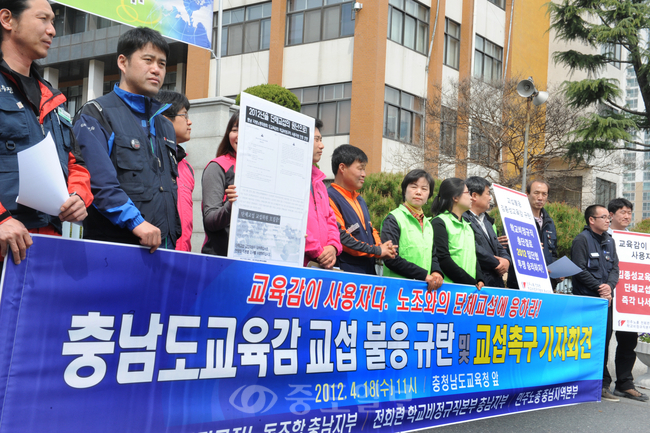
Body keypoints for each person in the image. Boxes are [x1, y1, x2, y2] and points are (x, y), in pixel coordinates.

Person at [0, 0, 92, 265]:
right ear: (7, 19)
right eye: (43, 19)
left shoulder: (54, 98)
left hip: (45, 248)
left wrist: (77, 197)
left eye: (54, 22)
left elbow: (76, 164)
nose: (52, 30)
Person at [73, 27, 180, 253]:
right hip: (115, 251)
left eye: (162, 64)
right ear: (123, 62)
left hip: (164, 249)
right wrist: (136, 223)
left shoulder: (165, 126)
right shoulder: (97, 113)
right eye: (148, 60)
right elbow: (99, 183)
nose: (156, 69)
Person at [571, 205, 621, 402]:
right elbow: (578, 269)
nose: (608, 220)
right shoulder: (581, 240)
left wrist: (609, 287)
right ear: (591, 220)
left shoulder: (610, 240)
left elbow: (615, 268)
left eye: (608, 217)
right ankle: (583, 383)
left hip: (605, 301)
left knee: (604, 341)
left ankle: (601, 384)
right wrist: (600, 287)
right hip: (587, 300)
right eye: (603, 217)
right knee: (585, 342)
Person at [327, 144, 396, 274]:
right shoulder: (329, 197)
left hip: (368, 270)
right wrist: (377, 251)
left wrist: (381, 246)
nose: (364, 174)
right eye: (360, 169)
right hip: (347, 273)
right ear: (342, 167)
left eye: (364, 169)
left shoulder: (359, 199)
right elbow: (341, 238)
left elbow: (370, 229)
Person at [606, 198, 648, 401]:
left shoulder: (636, 240)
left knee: (628, 342)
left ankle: (624, 383)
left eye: (629, 212)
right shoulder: (602, 236)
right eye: (623, 212)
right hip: (607, 296)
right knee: (602, 341)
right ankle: (601, 383)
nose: (627, 216)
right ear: (611, 215)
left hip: (629, 300)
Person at [380, 169, 443, 291]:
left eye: (424, 189)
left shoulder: (428, 224)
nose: (419, 192)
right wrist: (424, 275)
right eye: (414, 187)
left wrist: (436, 272)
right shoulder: (393, 218)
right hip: (397, 291)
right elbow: (391, 259)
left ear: (429, 194)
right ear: (404, 190)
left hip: (423, 292)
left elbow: (433, 255)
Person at [499, 180, 559, 289]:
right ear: (527, 195)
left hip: (546, 284)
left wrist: (557, 272)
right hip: (522, 283)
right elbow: (507, 249)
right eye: (536, 193)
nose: (540, 197)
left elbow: (553, 253)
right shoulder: (516, 219)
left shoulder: (549, 222)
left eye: (544, 194)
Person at [157, 90, 194, 252]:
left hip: (182, 257)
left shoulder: (187, 167)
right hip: (156, 253)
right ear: (165, 119)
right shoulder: (150, 159)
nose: (189, 122)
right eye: (184, 116)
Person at [431, 178, 484, 289]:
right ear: (455, 197)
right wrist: (470, 282)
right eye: (467, 193)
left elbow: (474, 257)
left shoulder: (468, 225)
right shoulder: (439, 222)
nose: (471, 197)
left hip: (469, 289)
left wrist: (479, 278)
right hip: (449, 290)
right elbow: (443, 259)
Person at [304, 119, 341, 268]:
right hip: (298, 265)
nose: (322, 145)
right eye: (317, 139)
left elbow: (330, 219)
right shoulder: (288, 179)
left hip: (320, 267)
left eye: (321, 139)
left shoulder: (319, 183)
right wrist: (319, 252)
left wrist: (332, 247)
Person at [463, 177, 510, 288]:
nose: (490, 198)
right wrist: (498, 264)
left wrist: (507, 261)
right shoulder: (463, 219)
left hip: (495, 282)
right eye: (488, 194)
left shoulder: (487, 220)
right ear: (474, 196)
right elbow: (474, 248)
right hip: (477, 282)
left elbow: (498, 246)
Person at [202, 112, 238, 256]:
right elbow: (210, 220)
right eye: (235, 130)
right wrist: (231, 206)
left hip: (256, 261)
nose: (239, 135)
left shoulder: (266, 170)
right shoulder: (218, 166)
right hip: (220, 259)